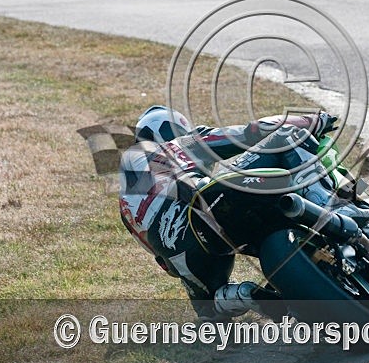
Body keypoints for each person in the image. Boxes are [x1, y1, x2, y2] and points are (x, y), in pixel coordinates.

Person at [118, 105, 338, 320]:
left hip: (179, 253)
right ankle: (330, 205)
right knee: (286, 136)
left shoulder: (125, 204)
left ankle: (240, 294)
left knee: (208, 310)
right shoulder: (178, 144)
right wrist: (314, 121)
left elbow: (158, 256)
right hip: (204, 204)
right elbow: (250, 132)